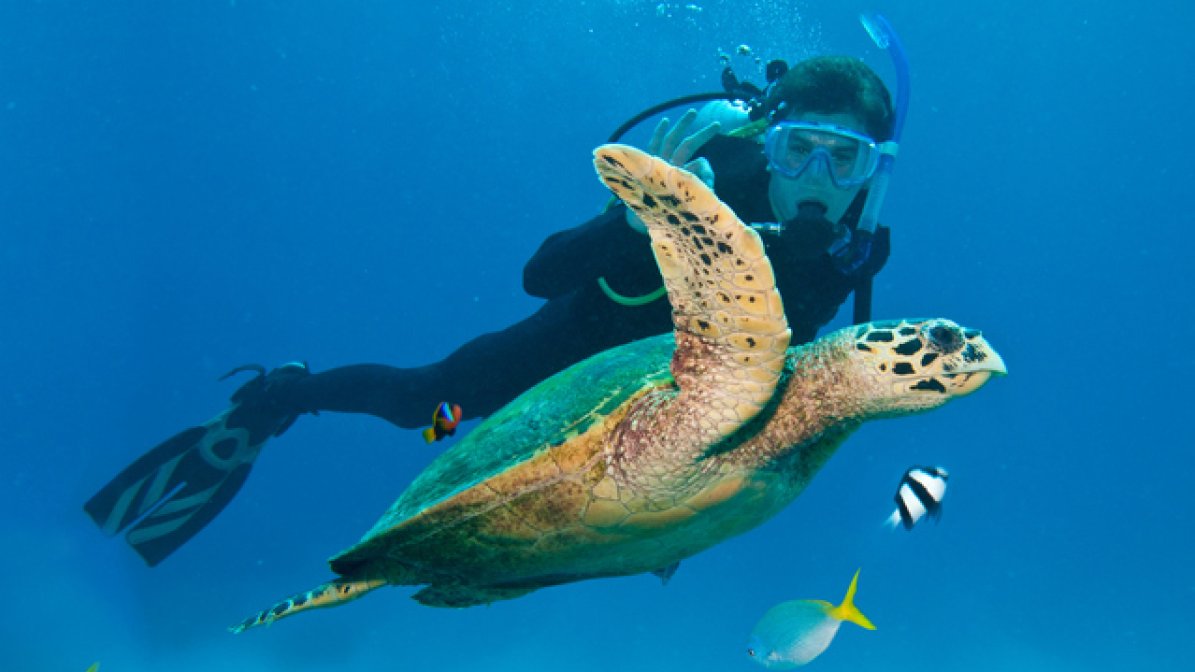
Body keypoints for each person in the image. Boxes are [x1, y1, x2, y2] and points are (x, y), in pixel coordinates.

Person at [86, 48, 907, 566]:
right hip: (559, 356)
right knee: (431, 410)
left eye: (846, 160)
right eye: (798, 148)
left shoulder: (858, 245)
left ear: (874, 170)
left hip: (657, 411)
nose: (816, 179)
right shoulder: (702, 184)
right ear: (769, 142)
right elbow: (540, 274)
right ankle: (281, 397)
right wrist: (635, 222)